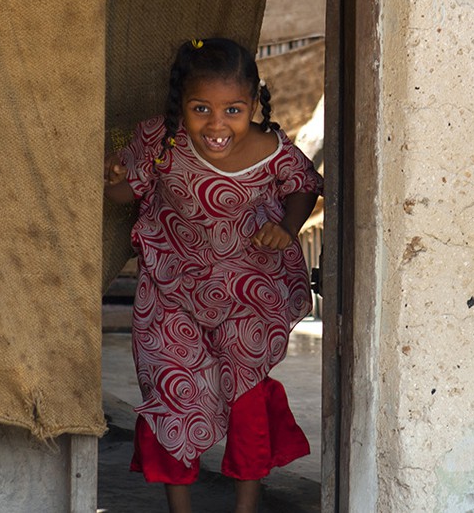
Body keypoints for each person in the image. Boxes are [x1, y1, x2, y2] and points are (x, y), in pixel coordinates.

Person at [104, 37, 320, 513]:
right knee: (169, 396)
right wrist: (115, 176)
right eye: (201, 108)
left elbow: (304, 184)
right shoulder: (162, 141)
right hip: (170, 292)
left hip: (247, 296)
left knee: (245, 400)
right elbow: (125, 195)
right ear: (181, 104)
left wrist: (286, 227)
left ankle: (246, 507)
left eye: (234, 110)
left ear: (253, 104)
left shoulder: (273, 149)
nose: (217, 124)